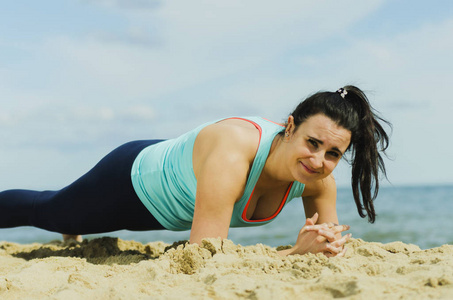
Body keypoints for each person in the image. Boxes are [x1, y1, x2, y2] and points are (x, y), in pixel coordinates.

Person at [0, 85, 390, 257]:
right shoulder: (235, 150)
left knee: (67, 213)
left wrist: (319, 248)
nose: (319, 161)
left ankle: (76, 215)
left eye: (334, 153)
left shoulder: (319, 183)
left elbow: (327, 249)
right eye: (312, 143)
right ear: (289, 128)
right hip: (133, 182)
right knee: (48, 211)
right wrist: (295, 253)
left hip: (171, 188)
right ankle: (71, 215)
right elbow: (203, 253)